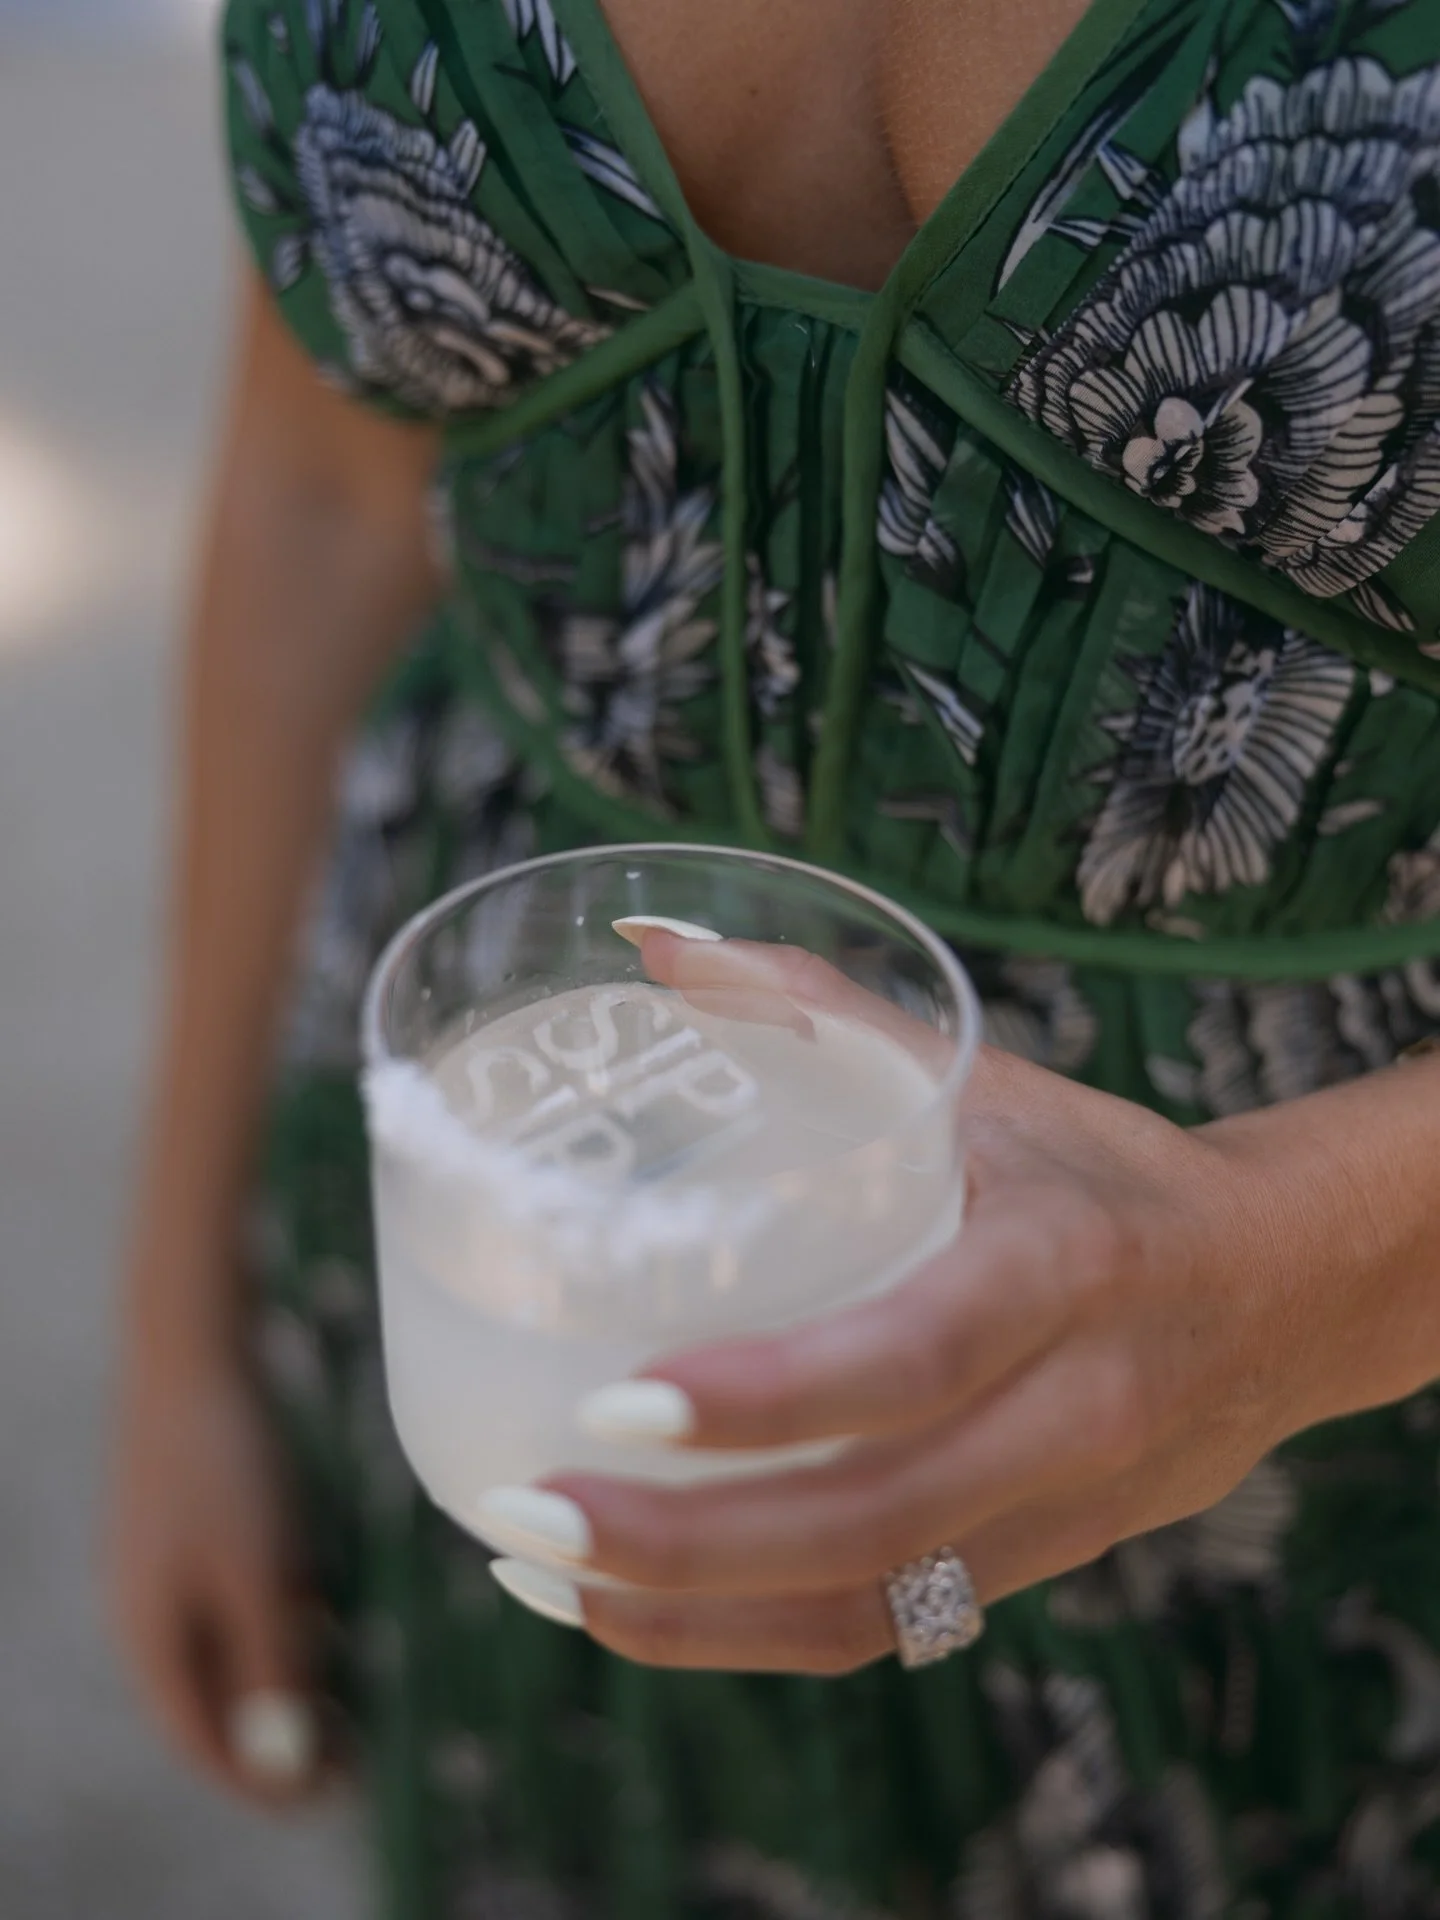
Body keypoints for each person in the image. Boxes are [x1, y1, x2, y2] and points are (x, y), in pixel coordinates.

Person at [112, 0, 1440, 1912]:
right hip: (515, 1257)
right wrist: (185, 1325)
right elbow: (330, 490)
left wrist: (1291, 1290)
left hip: (1332, 1472)